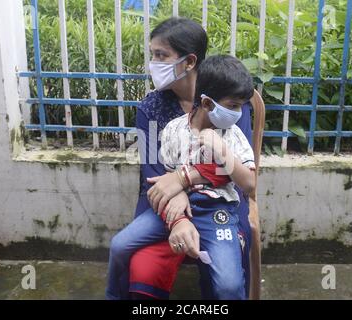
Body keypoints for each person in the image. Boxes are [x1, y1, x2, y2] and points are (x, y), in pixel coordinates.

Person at [106, 17, 254, 300]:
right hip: (160, 197)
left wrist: (183, 178)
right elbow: (152, 170)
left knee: (227, 279)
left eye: (161, 56)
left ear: (189, 62)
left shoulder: (230, 105)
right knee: (136, 260)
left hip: (221, 198)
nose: (153, 63)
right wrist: (177, 217)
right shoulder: (151, 107)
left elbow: (232, 165)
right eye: (152, 55)